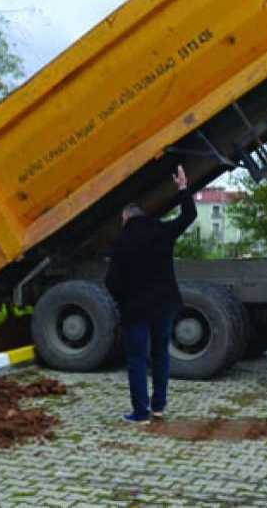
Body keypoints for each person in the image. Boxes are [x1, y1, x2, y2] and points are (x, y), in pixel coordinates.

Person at [105, 164, 197, 423]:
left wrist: (123, 300)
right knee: (160, 355)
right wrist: (183, 188)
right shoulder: (162, 230)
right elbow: (188, 216)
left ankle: (140, 412)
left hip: (135, 310)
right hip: (163, 307)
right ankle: (159, 406)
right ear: (141, 215)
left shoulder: (121, 242)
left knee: (136, 359)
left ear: (125, 218)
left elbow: (111, 281)